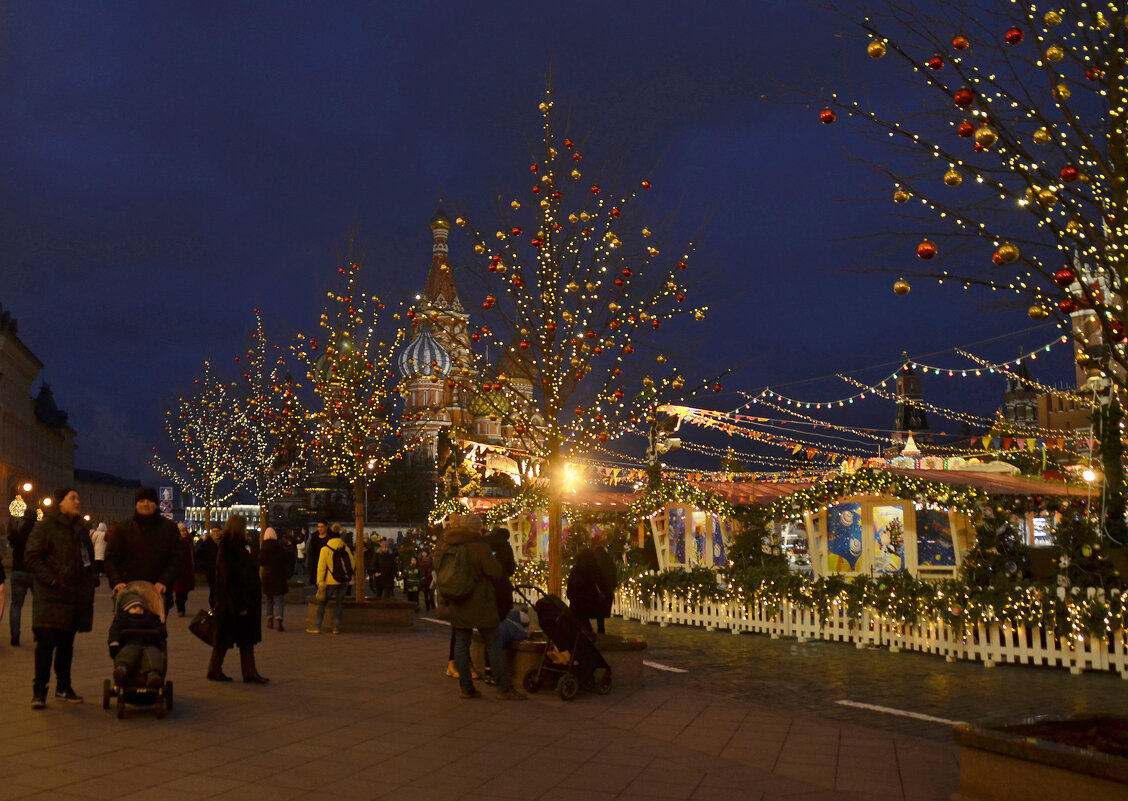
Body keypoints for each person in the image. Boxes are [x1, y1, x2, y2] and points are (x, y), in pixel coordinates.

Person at [436, 513, 525, 700]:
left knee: (461, 643)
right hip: (481, 602)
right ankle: (504, 688)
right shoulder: (479, 546)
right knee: (493, 643)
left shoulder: (447, 544)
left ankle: (466, 688)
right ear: (477, 528)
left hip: (458, 600)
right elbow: (495, 572)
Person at [24, 487, 96, 708]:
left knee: (67, 646)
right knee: (45, 645)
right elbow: (32, 557)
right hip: (50, 597)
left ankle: (64, 687)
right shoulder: (46, 527)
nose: (77, 501)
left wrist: (90, 580)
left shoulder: (81, 530)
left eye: (78, 497)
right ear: (60, 503)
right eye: (72, 498)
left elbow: (88, 559)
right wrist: (52, 581)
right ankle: (39, 691)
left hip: (73, 597)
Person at [208, 514, 268, 683]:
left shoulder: (239, 545)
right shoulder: (230, 547)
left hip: (238, 600)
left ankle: (248, 672)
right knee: (228, 639)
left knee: (242, 639)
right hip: (235, 601)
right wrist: (240, 603)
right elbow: (229, 577)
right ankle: (218, 670)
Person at [105, 488, 182, 613]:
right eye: (141, 500)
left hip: (158, 592)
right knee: (128, 629)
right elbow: (111, 557)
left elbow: (177, 558)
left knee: (157, 629)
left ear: (156, 504)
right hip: (128, 590)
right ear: (136, 504)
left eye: (150, 500)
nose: (146, 504)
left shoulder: (169, 528)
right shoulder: (123, 528)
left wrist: (164, 581)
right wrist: (117, 581)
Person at [108, 587, 166, 688]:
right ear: (126, 608)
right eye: (134, 608)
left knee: (153, 654)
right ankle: (122, 669)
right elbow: (114, 631)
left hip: (148, 643)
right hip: (130, 643)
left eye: (140, 607)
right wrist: (114, 643)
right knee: (128, 652)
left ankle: (153, 674)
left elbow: (158, 628)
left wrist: (161, 632)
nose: (138, 610)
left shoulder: (149, 617)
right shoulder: (122, 619)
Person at [566, 530, 619, 634]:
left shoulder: (577, 569)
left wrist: (571, 595)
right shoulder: (595, 568)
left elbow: (571, 585)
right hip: (593, 602)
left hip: (578, 604)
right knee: (599, 615)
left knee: (580, 616)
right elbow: (601, 582)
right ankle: (599, 631)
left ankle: (585, 631)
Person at [308, 529, 355, 634]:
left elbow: (321, 568)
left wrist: (320, 582)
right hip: (344, 580)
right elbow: (352, 563)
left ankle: (317, 626)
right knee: (339, 604)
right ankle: (336, 628)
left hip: (330, 581)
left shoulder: (325, 549)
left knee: (322, 603)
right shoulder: (345, 547)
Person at [8, 506, 36, 647]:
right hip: (34, 572)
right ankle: (39, 634)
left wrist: (15, 525)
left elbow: (11, 541)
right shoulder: (38, 534)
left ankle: (15, 633)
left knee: (16, 605)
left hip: (18, 571)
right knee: (38, 604)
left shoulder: (19, 532)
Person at [259, 527, 293, 632]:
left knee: (269, 599)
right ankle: (279, 621)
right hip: (278, 576)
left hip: (267, 576)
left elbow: (260, 562)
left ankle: (270, 620)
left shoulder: (262, 549)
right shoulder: (279, 548)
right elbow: (288, 558)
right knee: (279, 599)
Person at [171, 522, 196, 616]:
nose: (184, 532)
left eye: (185, 530)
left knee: (185, 591)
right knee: (179, 590)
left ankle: (181, 605)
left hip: (188, 569)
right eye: (182, 531)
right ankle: (180, 609)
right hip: (179, 570)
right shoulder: (176, 542)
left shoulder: (189, 541)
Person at [196, 525, 221, 608]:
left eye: (217, 531)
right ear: (211, 532)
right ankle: (213, 607)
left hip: (222, 570)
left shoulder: (224, 542)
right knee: (213, 589)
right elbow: (198, 553)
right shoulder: (207, 542)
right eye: (214, 531)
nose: (216, 533)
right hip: (211, 570)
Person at [306, 520, 330, 585]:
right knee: (318, 585)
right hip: (316, 564)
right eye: (318, 527)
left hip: (328, 564)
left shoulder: (330, 538)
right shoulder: (314, 538)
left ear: (326, 527)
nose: (320, 529)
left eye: (322, 527)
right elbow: (310, 552)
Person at [418, 547, 435, 613]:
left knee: (431, 594)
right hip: (423, 579)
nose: (424, 554)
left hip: (430, 578)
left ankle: (432, 604)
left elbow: (433, 568)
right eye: (423, 552)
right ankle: (427, 606)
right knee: (425, 594)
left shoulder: (431, 560)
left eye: (425, 552)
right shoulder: (420, 561)